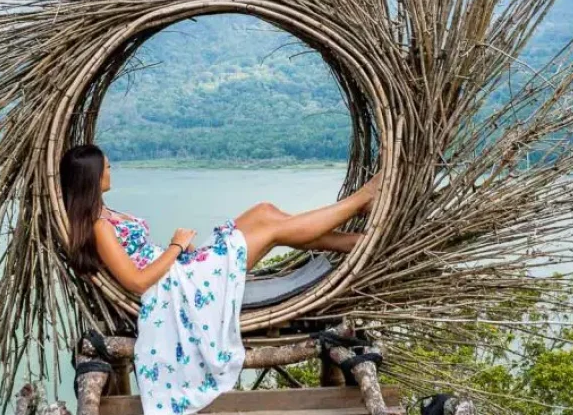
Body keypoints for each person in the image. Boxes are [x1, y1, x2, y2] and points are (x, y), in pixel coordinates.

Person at [59, 144, 382, 414]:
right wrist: (176, 246)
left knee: (265, 212)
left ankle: (352, 241)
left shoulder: (106, 212)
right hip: (182, 284)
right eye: (107, 166)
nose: (111, 169)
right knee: (272, 228)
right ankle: (360, 201)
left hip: (184, 267)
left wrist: (180, 251)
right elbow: (138, 282)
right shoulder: (98, 225)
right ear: (92, 176)